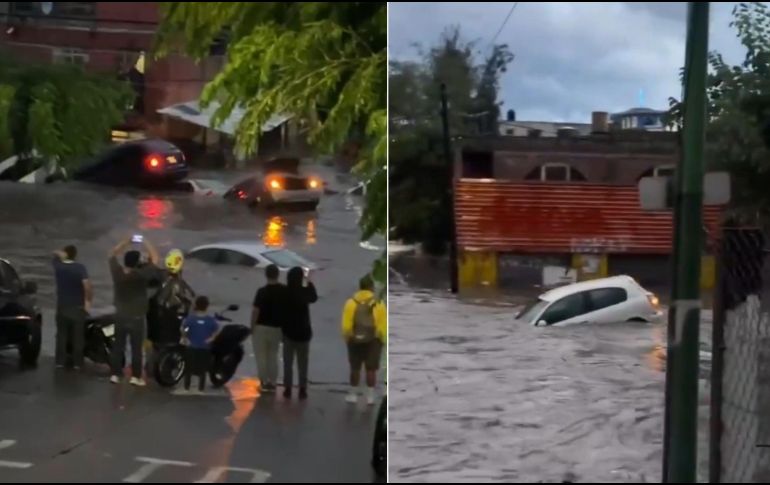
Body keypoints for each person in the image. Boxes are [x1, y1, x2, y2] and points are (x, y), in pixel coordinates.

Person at [108, 236, 160, 386]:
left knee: (118, 346)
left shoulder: (117, 273)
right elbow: (155, 259)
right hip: (136, 317)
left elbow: (112, 253)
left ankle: (115, 375)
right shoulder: (140, 275)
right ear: (138, 263)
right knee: (137, 348)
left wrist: (127, 241)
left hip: (120, 315)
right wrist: (145, 241)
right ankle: (136, 377)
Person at [341, 275, 387, 405]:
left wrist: (348, 337)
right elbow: (382, 324)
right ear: (371, 287)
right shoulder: (378, 303)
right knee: (371, 369)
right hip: (373, 340)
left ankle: (353, 395)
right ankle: (370, 396)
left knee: (355, 367)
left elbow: (346, 325)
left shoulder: (351, 303)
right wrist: (381, 338)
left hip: (355, 339)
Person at [52, 245, 92, 370]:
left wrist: (61, 254)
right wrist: (88, 302)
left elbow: (54, 254)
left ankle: (59, 362)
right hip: (78, 307)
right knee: (78, 337)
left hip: (62, 306)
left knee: (61, 336)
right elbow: (87, 287)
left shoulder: (58, 267)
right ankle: (77, 363)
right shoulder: (80, 268)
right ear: (76, 255)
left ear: (65, 254)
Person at [281, 266, 318, 400]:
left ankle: (288, 388)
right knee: (303, 363)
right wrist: (309, 282)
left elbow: (281, 314)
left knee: (287, 362)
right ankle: (302, 389)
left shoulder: (285, 292)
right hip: (304, 333)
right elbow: (314, 298)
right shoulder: (304, 292)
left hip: (288, 333)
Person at [250, 264, 287, 394]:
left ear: (266, 275)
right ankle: (273, 382)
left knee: (261, 356)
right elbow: (288, 311)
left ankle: (264, 383)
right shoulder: (284, 291)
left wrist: (252, 326)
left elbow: (256, 311)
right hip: (277, 328)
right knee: (273, 355)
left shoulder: (261, 292)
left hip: (261, 327)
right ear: (278, 274)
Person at [149, 249, 195, 346]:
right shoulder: (180, 284)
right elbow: (188, 302)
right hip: (169, 325)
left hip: (156, 325)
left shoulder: (159, 276)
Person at [179, 295, 220, 395]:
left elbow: (183, 328)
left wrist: (185, 338)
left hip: (191, 347)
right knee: (202, 369)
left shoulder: (191, 319)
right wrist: (210, 339)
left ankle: (186, 387)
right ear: (207, 306)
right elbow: (217, 331)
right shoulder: (210, 320)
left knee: (188, 368)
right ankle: (200, 389)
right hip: (204, 348)